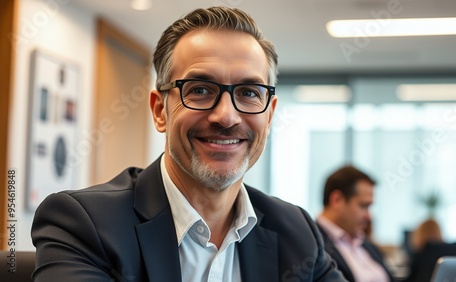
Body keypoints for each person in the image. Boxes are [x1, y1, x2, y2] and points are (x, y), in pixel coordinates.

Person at [31, 6, 347, 282]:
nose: (226, 117)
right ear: (160, 111)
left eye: (249, 93)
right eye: (199, 90)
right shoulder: (85, 225)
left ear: (270, 114)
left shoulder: (297, 232)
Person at [317, 165, 396, 282]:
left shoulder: (365, 244)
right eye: (364, 206)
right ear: (337, 200)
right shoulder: (311, 243)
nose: (369, 216)